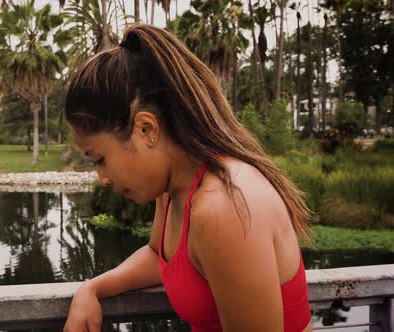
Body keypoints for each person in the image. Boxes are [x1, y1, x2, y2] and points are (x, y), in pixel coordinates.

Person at [63, 24, 312, 332]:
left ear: (146, 129)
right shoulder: (172, 189)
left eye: (99, 159)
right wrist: (92, 289)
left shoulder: (224, 207)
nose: (101, 177)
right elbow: (159, 256)